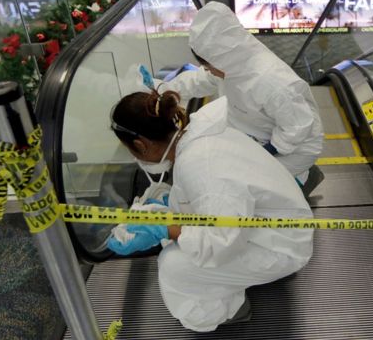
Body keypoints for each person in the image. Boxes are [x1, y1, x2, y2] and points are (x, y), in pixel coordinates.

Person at [107, 89, 314, 332]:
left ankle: (229, 312)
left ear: (140, 145)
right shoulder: (197, 137)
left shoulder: (201, 166)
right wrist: (168, 210)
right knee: (181, 246)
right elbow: (213, 201)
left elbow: (221, 244)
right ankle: (228, 283)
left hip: (281, 246)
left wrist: (163, 228)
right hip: (270, 225)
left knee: (174, 267)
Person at [159, 1, 323, 187]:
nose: (208, 71)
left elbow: (297, 127)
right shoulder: (232, 64)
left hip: (297, 147)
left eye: (209, 66)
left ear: (221, 59)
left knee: (248, 182)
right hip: (261, 129)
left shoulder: (270, 81)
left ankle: (302, 180)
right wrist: (163, 90)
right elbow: (200, 80)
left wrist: (265, 152)